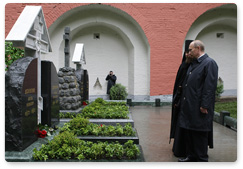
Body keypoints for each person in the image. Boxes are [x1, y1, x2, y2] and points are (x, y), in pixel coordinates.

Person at [177, 40, 218, 162]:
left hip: (199, 107)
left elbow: (209, 87)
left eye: (190, 50)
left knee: (199, 134)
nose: (188, 52)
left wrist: (205, 105)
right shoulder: (194, 64)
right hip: (190, 106)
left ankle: (201, 159)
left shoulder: (209, 63)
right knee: (190, 132)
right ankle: (191, 156)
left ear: (198, 48)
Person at [170, 40, 193, 157]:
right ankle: (178, 148)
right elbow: (178, 85)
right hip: (180, 101)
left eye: (189, 52)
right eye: (186, 52)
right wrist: (176, 99)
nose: (187, 54)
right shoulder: (184, 65)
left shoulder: (194, 66)